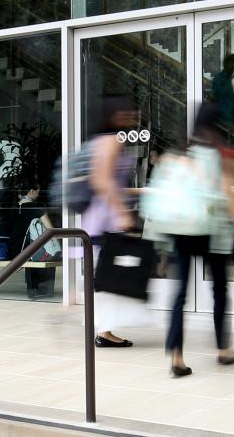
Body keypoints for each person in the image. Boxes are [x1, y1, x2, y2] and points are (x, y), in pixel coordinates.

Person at [155, 103, 234, 377]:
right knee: (218, 290)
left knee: (179, 294)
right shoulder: (224, 154)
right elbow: (232, 196)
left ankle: (177, 356)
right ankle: (222, 350)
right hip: (211, 231)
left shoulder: (178, 153)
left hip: (180, 229)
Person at [75, 95, 142, 347]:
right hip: (106, 219)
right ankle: (103, 331)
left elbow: (108, 181)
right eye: (126, 112)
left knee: (108, 276)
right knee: (110, 276)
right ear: (114, 115)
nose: (132, 116)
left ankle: (104, 329)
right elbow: (102, 181)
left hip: (100, 217)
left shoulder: (101, 141)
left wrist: (135, 194)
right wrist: (122, 213)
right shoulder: (112, 141)